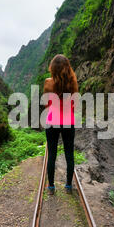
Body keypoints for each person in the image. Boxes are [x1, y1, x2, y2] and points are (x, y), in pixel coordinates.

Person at [44, 54, 79, 195]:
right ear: (67, 67)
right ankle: (68, 186)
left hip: (52, 120)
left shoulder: (47, 82)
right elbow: (74, 104)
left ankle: (51, 187)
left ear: (52, 67)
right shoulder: (73, 83)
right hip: (68, 121)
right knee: (69, 154)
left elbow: (47, 104)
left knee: (51, 154)